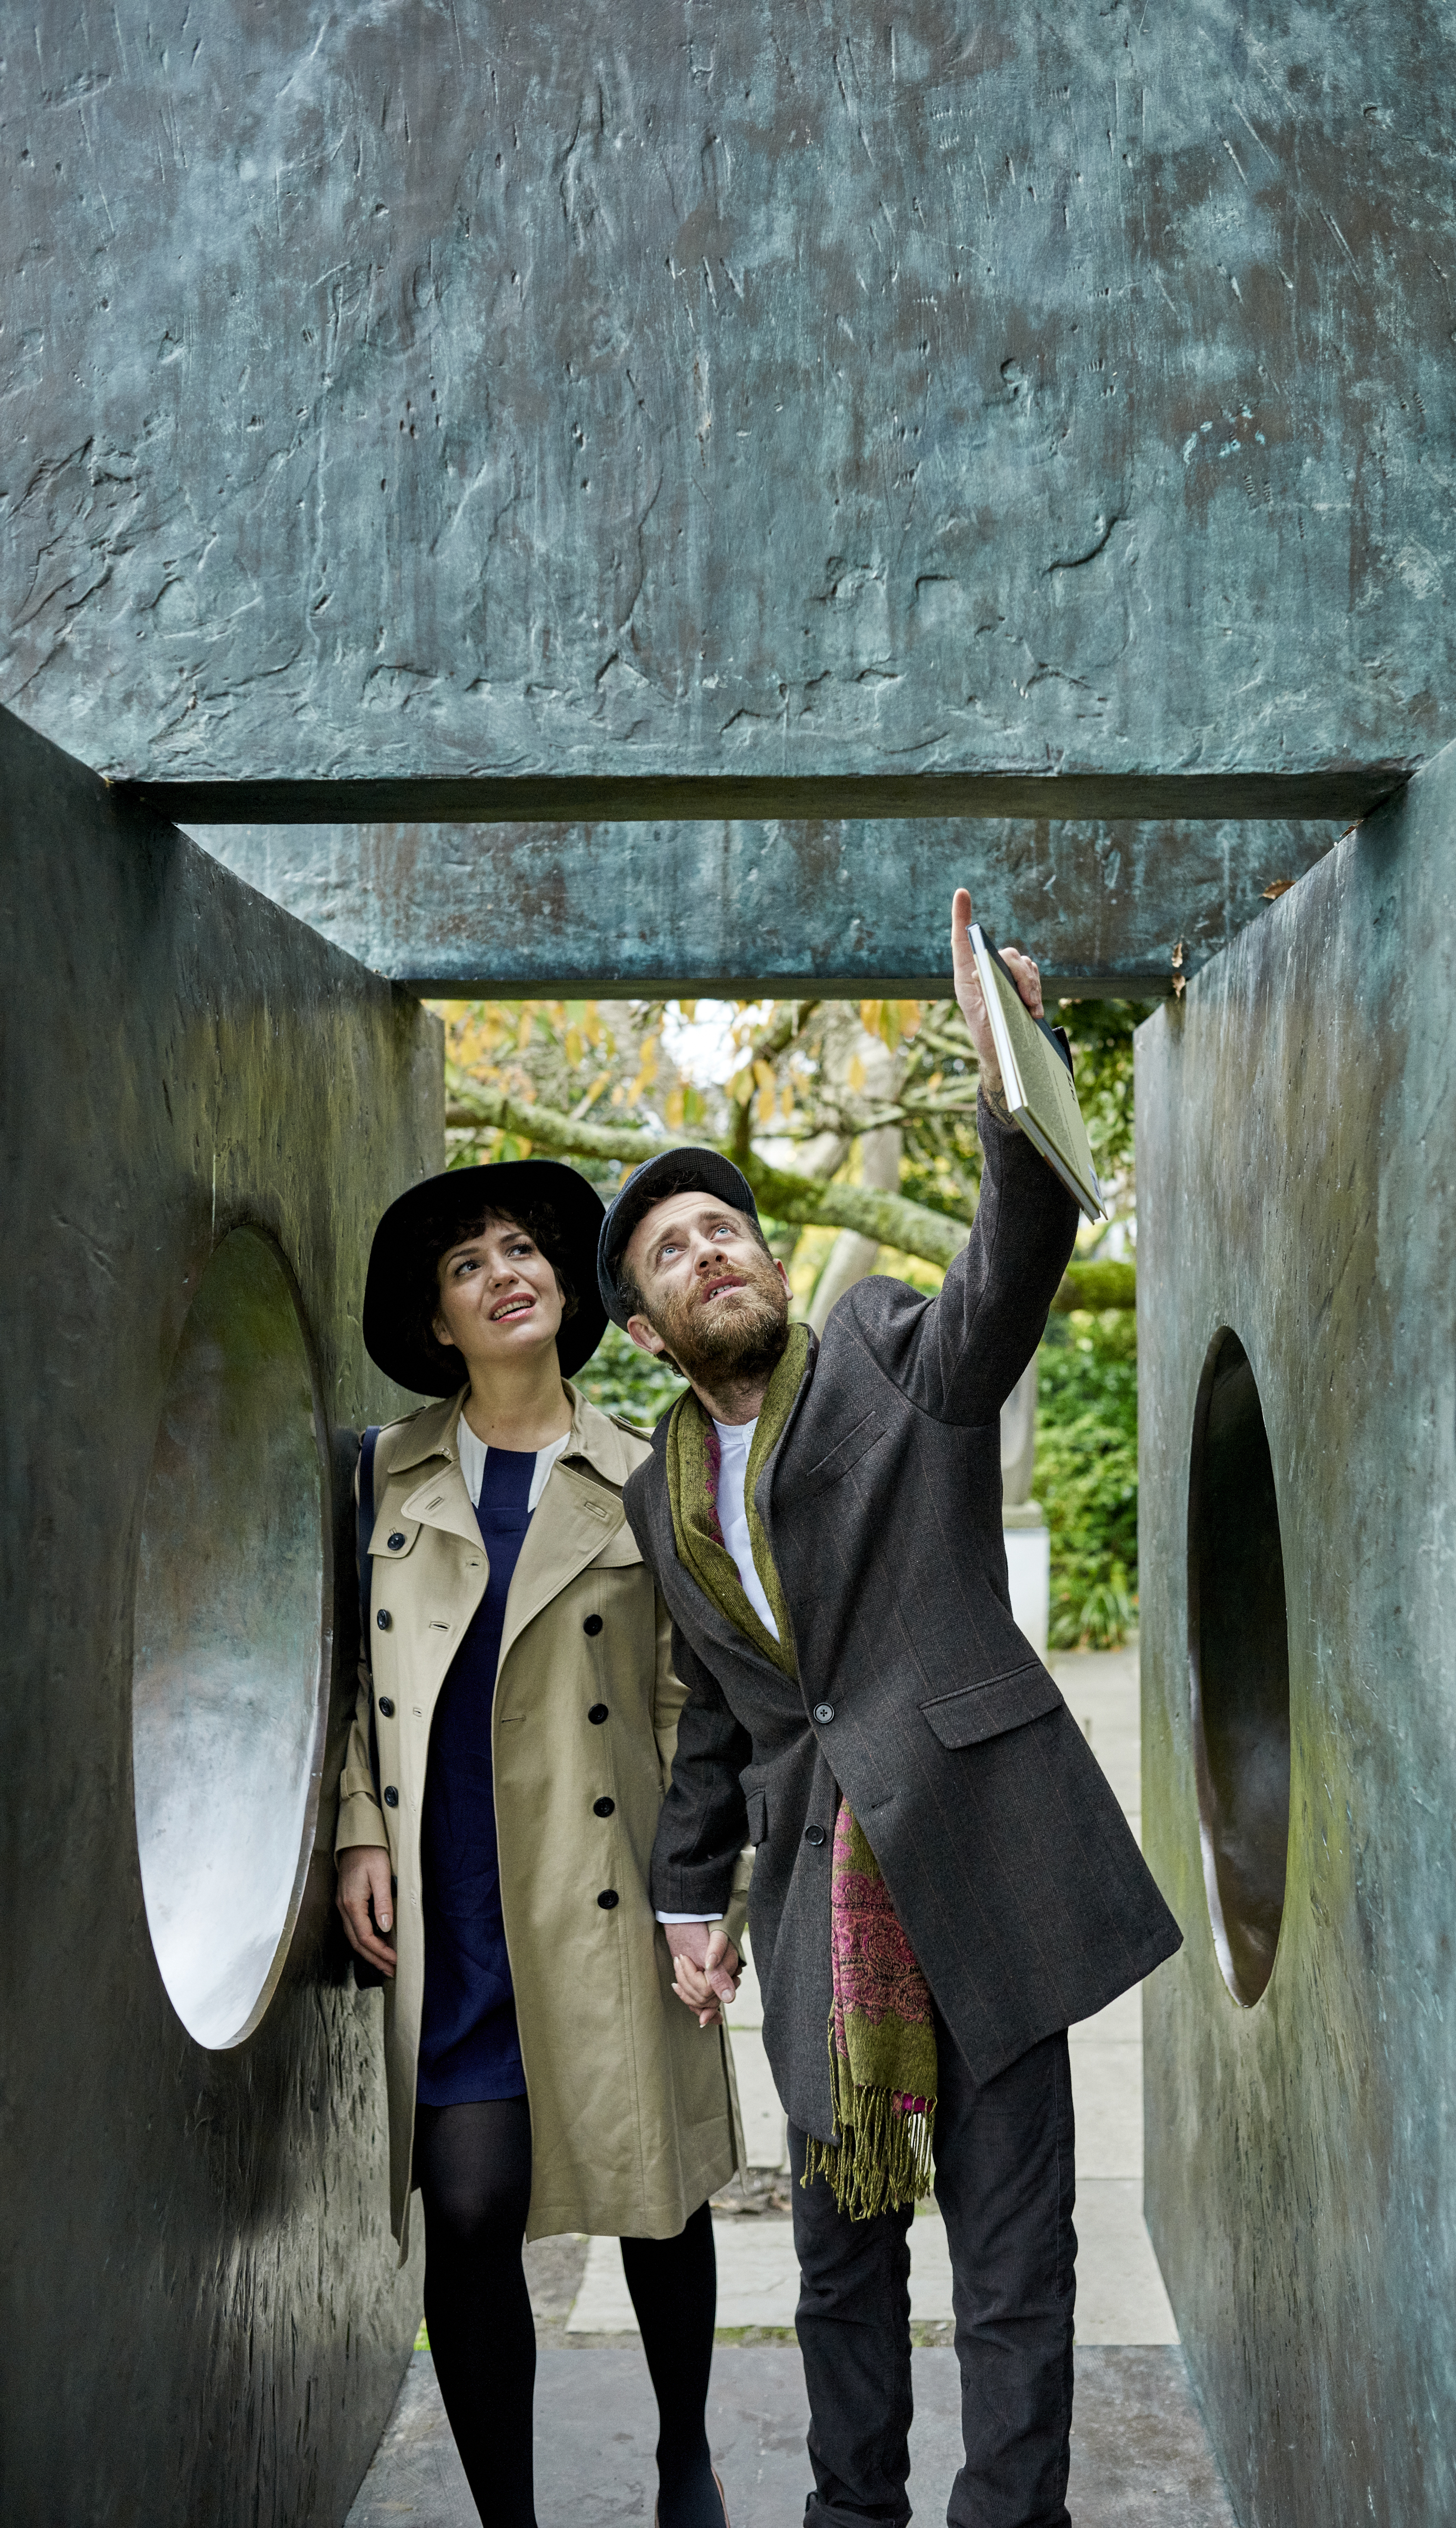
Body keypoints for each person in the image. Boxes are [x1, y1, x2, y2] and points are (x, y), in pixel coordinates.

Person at [597, 890, 1183, 2528]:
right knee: (839, 2266)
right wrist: (683, 1897)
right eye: (675, 1250)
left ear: (767, 1263)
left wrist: (1016, 1076)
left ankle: (1015, 2518)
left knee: (1012, 2260)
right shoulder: (660, 1501)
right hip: (814, 1918)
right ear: (647, 1329)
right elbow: (724, 1719)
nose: (716, 1247)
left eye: (728, 1227)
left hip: (983, 1855)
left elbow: (1005, 1278)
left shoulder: (874, 1352)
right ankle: (853, 2513)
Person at [336, 1159, 744, 2528]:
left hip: (610, 1894)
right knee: (466, 2215)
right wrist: (352, 1830)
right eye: (469, 1266)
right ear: (439, 1321)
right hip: (452, 1905)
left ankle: (684, 2454)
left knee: (659, 2199)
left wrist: (702, 1896)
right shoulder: (383, 1473)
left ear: (564, 1289)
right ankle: (506, 2513)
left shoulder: (643, 1475)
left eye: (523, 1251)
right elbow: (340, 1677)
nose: (506, 1273)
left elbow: (700, 1703)